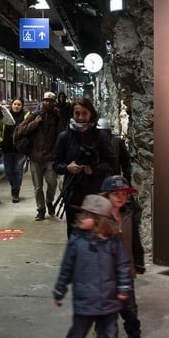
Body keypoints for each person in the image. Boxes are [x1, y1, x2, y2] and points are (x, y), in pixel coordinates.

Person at [53, 194, 132, 338]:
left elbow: (123, 264)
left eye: (88, 215)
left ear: (100, 221)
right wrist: (59, 290)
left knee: (110, 337)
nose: (82, 218)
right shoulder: (76, 240)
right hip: (84, 301)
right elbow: (67, 267)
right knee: (76, 335)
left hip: (109, 300)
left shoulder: (113, 240)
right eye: (83, 214)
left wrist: (123, 287)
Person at [53, 97, 115, 237]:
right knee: (74, 235)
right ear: (72, 114)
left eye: (84, 113)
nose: (80, 117)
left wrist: (93, 170)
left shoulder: (100, 137)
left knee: (96, 235)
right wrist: (68, 168)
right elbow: (56, 164)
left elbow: (111, 163)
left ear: (91, 114)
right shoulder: (64, 137)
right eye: (77, 113)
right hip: (73, 195)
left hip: (95, 195)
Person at [101, 175, 149, 338]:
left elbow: (135, 241)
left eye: (124, 193)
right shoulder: (98, 218)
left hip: (125, 273)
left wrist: (138, 263)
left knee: (130, 309)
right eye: (116, 194)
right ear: (105, 196)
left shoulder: (128, 214)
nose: (121, 197)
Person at [16, 91, 60, 220]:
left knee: (52, 184)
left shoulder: (57, 118)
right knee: (37, 187)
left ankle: (49, 201)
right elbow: (20, 130)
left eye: (51, 101)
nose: (48, 103)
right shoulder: (34, 115)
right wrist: (35, 123)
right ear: (43, 101)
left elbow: (61, 136)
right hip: (35, 157)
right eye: (46, 100)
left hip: (50, 158)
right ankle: (41, 209)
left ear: (54, 103)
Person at [0, 97, 29, 202]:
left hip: (20, 149)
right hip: (6, 148)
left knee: (18, 170)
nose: (16, 106)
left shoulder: (26, 116)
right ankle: (14, 184)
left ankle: (16, 191)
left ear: (22, 106)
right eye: (15, 104)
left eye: (19, 104)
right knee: (8, 171)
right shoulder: (5, 115)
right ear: (11, 105)